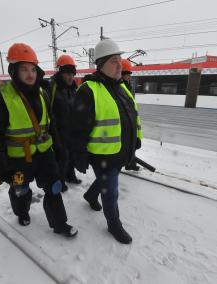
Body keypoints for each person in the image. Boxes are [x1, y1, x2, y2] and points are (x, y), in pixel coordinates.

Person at [0, 43, 77, 237]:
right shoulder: (0, 96)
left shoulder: (42, 93)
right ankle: (22, 211)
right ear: (13, 70)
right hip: (18, 159)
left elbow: (51, 125)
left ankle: (60, 224)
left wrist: (59, 150)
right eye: (24, 69)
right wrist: (1, 166)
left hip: (44, 155)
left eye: (33, 69)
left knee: (54, 188)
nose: (30, 74)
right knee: (21, 190)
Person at [71, 38, 142, 244]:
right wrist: (79, 156)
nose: (120, 64)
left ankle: (90, 196)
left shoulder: (122, 87)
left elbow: (132, 117)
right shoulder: (88, 90)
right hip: (102, 154)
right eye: (113, 61)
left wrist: (136, 140)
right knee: (111, 191)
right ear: (101, 65)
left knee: (106, 182)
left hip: (121, 151)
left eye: (120, 59)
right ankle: (114, 226)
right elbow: (77, 129)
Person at [49, 55, 81, 192]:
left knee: (71, 156)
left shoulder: (73, 88)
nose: (70, 77)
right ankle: (60, 181)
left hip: (71, 130)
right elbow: (48, 111)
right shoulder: (52, 87)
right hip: (58, 130)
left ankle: (70, 176)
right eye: (67, 74)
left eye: (72, 74)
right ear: (60, 72)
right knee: (61, 158)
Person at [121, 58, 140, 171]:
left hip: (130, 117)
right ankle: (127, 162)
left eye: (129, 74)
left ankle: (130, 163)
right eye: (127, 74)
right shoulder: (119, 86)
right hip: (124, 119)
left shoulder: (128, 85)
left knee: (131, 143)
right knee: (126, 144)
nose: (129, 77)